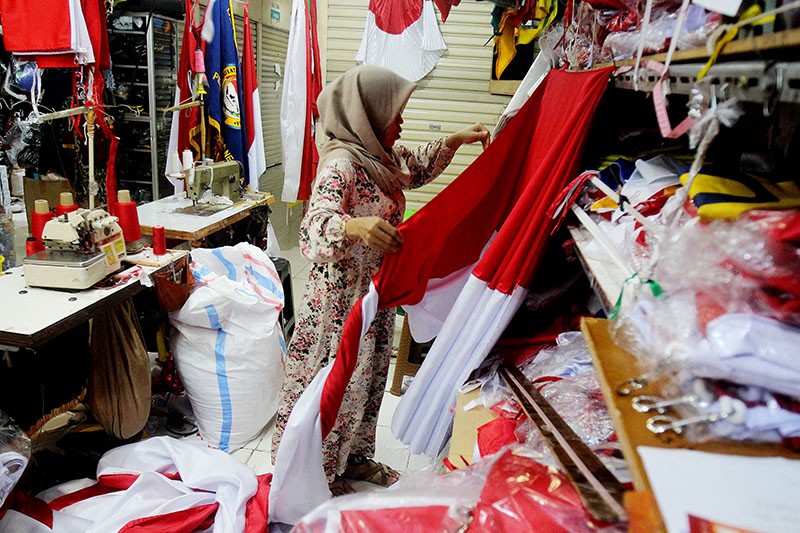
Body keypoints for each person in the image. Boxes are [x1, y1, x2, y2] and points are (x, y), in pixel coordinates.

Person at [271, 65, 490, 496]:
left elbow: (415, 165)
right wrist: (354, 227)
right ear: (367, 116)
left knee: (367, 381)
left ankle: (353, 458)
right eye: (395, 115)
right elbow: (313, 228)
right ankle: (318, 472)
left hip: (374, 293)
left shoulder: (381, 158)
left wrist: (455, 140)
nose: (401, 123)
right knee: (336, 385)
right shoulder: (342, 165)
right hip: (338, 301)